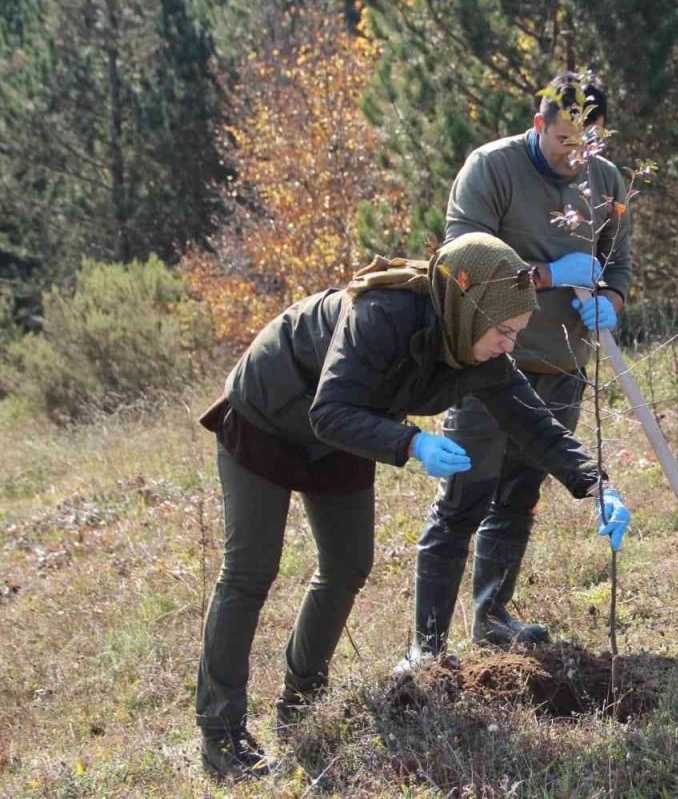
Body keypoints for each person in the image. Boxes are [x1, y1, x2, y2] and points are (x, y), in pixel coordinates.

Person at [193, 234, 631, 780]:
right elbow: (329, 410)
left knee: (348, 565)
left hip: (351, 424)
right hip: (271, 411)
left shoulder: (478, 343)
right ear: (472, 315)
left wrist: (597, 485)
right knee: (249, 572)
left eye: (516, 335)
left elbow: (531, 420)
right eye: (504, 333)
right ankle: (222, 736)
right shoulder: (381, 314)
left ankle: (301, 703)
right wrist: (412, 444)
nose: (509, 347)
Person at [406, 71, 633, 663]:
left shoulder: (604, 182)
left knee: (518, 497)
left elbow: (621, 266)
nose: (573, 155)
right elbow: (461, 270)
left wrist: (609, 301)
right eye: (563, 140)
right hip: (486, 364)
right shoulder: (491, 170)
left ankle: (492, 617)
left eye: (586, 143)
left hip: (560, 363)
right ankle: (427, 648)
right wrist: (554, 274)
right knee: (464, 500)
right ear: (539, 125)